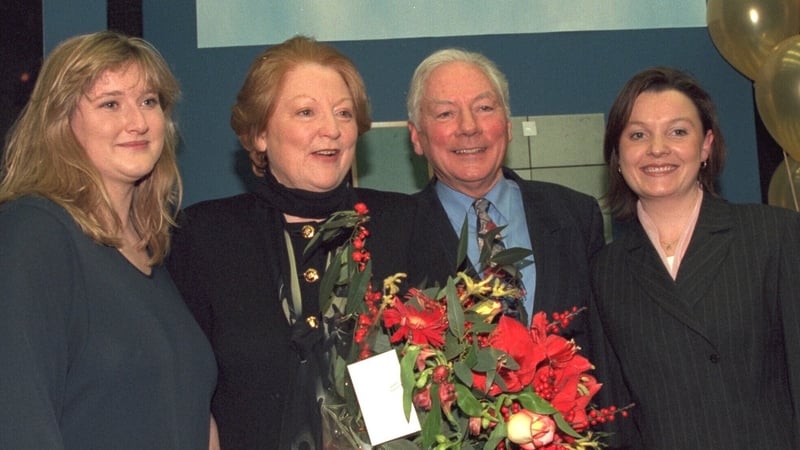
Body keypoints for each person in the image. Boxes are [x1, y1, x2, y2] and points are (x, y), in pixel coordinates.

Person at [167, 35, 414, 449]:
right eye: (305, 112)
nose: (331, 130)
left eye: (344, 113)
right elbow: (182, 392)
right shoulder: (203, 238)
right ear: (260, 133)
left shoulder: (405, 224)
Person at [0, 31, 217, 449]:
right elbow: (17, 419)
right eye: (110, 104)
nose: (137, 122)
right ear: (61, 121)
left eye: (149, 101)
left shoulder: (154, 254)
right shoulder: (31, 234)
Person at [592, 66, 800, 449]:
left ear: (705, 146)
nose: (657, 149)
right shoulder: (607, 270)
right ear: (617, 155)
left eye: (678, 132)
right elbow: (616, 414)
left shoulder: (776, 236)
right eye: (638, 134)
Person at [405, 48, 605, 344]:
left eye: (484, 108)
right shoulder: (395, 236)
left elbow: (601, 347)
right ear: (416, 136)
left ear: (508, 125)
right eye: (445, 113)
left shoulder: (576, 215)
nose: (469, 127)